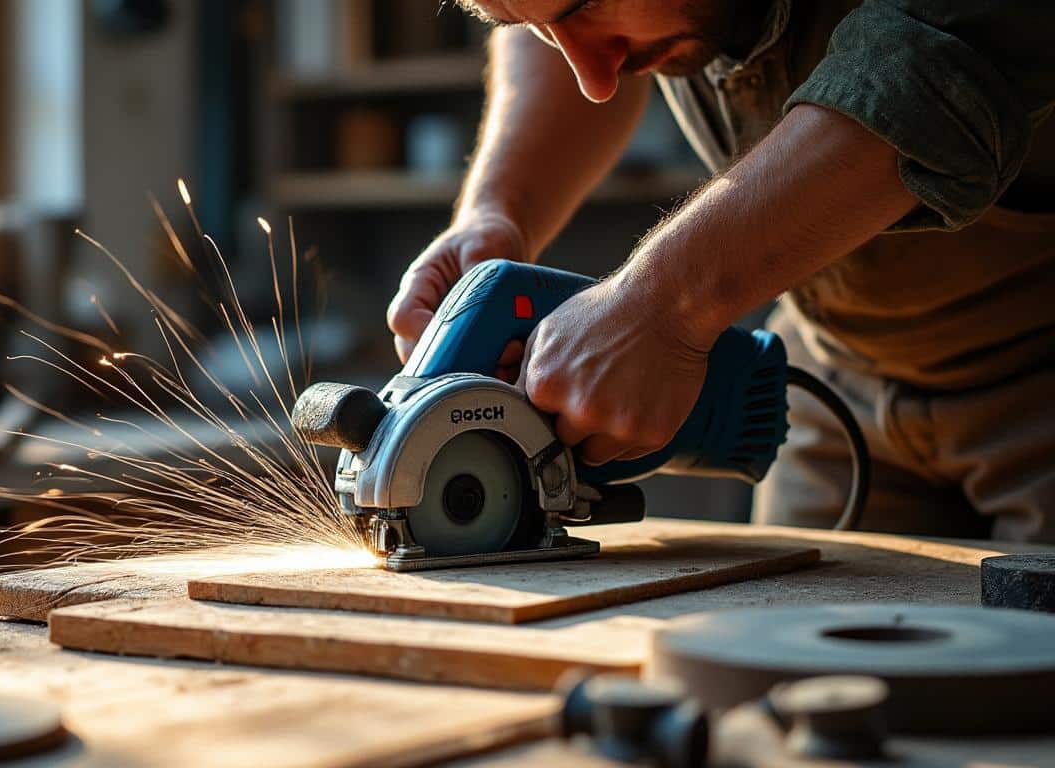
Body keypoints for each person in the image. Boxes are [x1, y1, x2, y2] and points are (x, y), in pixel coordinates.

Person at [386, 0, 1055, 541]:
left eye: (588, 7)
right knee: (783, 687)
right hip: (836, 373)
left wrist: (662, 305)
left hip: (1038, 372)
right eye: (535, 24)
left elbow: (931, 64)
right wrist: (498, 210)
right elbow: (550, 17)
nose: (596, 76)